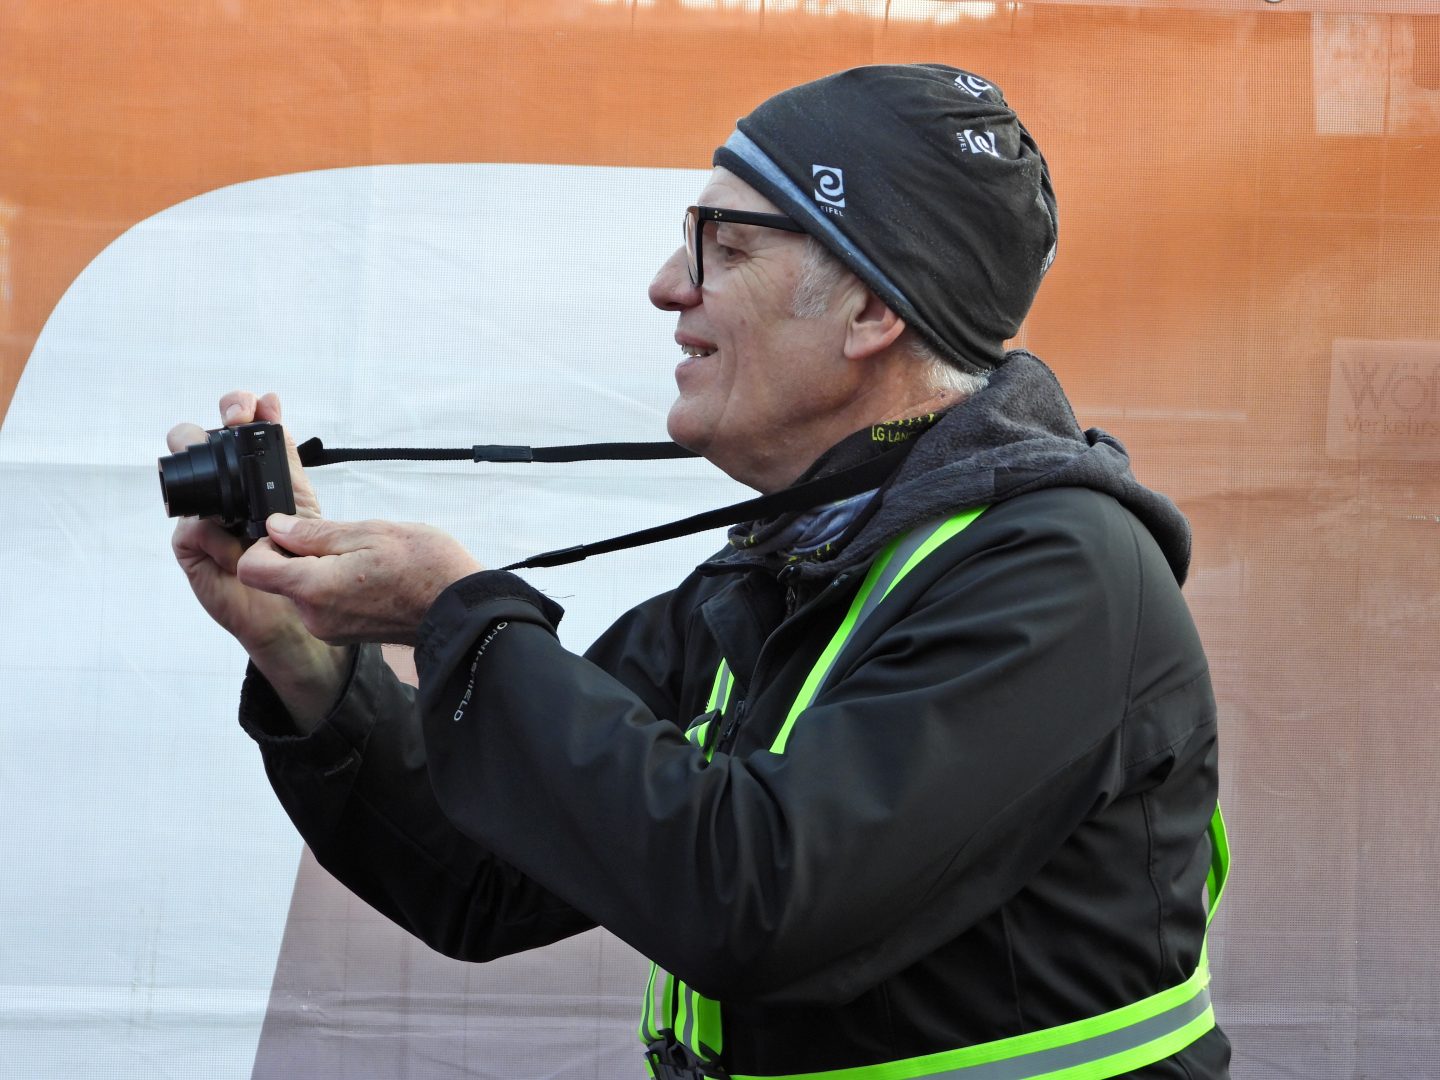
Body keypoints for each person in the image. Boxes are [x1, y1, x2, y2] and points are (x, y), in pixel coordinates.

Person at [169, 64, 1229, 1079]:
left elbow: (756, 902)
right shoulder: (788, 567)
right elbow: (478, 876)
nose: (668, 285)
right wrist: (309, 660)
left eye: (723, 244)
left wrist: (461, 616)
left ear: (872, 308)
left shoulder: (1061, 576)